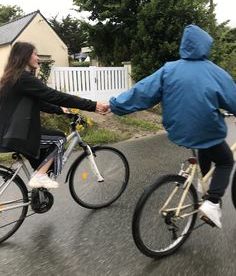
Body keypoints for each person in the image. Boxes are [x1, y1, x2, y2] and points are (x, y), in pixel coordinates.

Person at [105, 24, 236, 229]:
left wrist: (115, 105)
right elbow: (233, 100)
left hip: (177, 129)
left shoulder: (169, 69)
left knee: (205, 145)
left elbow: (142, 91)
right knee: (226, 160)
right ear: (205, 46)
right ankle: (212, 202)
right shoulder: (216, 73)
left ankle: (204, 184)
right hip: (206, 128)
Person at [0, 42, 106, 189]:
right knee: (58, 139)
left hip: (11, 132)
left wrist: (60, 110)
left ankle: (39, 183)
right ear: (25, 56)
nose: (38, 58)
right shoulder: (23, 78)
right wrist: (93, 105)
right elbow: (54, 95)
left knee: (47, 148)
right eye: (35, 54)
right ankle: (40, 176)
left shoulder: (13, 77)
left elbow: (40, 103)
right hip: (18, 135)